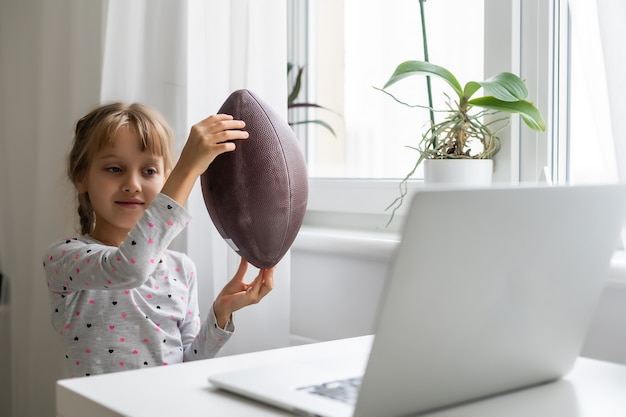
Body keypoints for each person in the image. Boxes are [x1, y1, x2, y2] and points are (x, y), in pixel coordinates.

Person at [43, 102, 274, 377]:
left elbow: (188, 365)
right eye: (114, 169)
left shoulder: (182, 269)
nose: (133, 184)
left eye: (149, 171)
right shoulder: (65, 258)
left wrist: (220, 314)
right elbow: (130, 268)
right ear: (81, 177)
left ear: (166, 179)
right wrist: (187, 168)